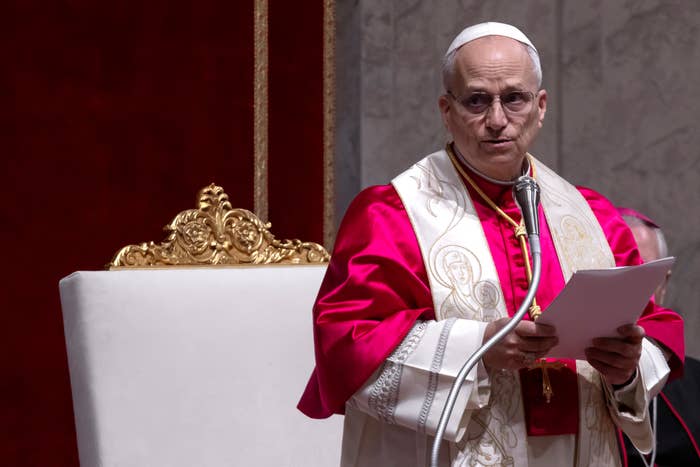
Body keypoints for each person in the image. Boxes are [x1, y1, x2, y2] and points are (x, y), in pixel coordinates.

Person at [298, 22, 684, 466]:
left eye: (514, 98)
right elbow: (346, 344)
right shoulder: (391, 215)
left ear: (541, 107)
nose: (497, 120)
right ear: (447, 110)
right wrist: (478, 347)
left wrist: (626, 369)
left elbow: (653, 327)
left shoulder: (593, 217)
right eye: (477, 100)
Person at [617, 207, 700, 466]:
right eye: (620, 271)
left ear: (664, 284)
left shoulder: (696, 382)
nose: (633, 287)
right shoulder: (573, 381)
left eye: (645, 272)